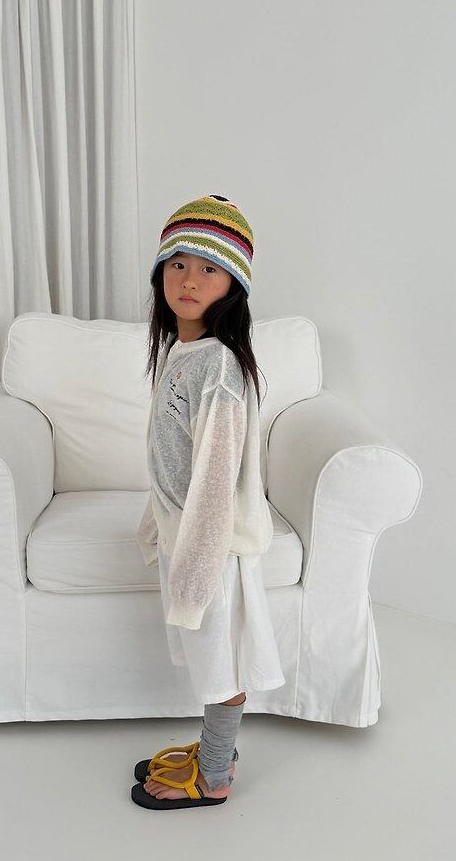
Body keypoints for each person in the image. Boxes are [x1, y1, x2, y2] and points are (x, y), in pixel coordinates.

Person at [130, 194, 286, 811]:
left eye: (209, 268)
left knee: (222, 664)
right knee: (208, 658)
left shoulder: (218, 367)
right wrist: (156, 526)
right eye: (178, 264)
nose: (189, 280)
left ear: (233, 285)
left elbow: (216, 481)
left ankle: (215, 773)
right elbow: (169, 456)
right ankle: (212, 750)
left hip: (211, 547)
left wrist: (195, 575)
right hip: (186, 537)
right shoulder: (182, 352)